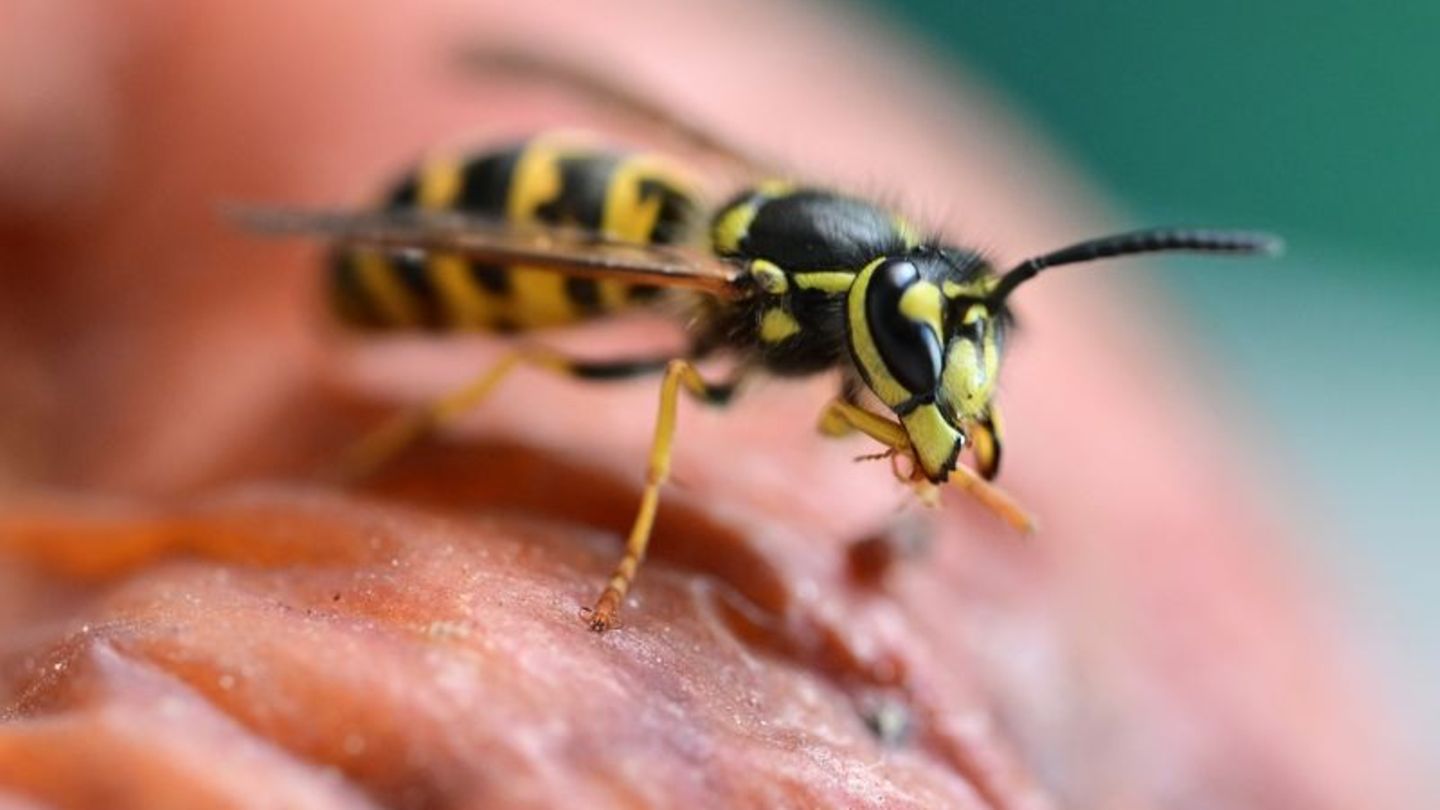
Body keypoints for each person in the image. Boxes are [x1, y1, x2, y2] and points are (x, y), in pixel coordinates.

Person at [0, 1, 1419, 807]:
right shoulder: (751, 298)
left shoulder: (862, 301)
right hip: (473, 248)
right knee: (552, 346)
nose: (946, 379)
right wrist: (627, 566)